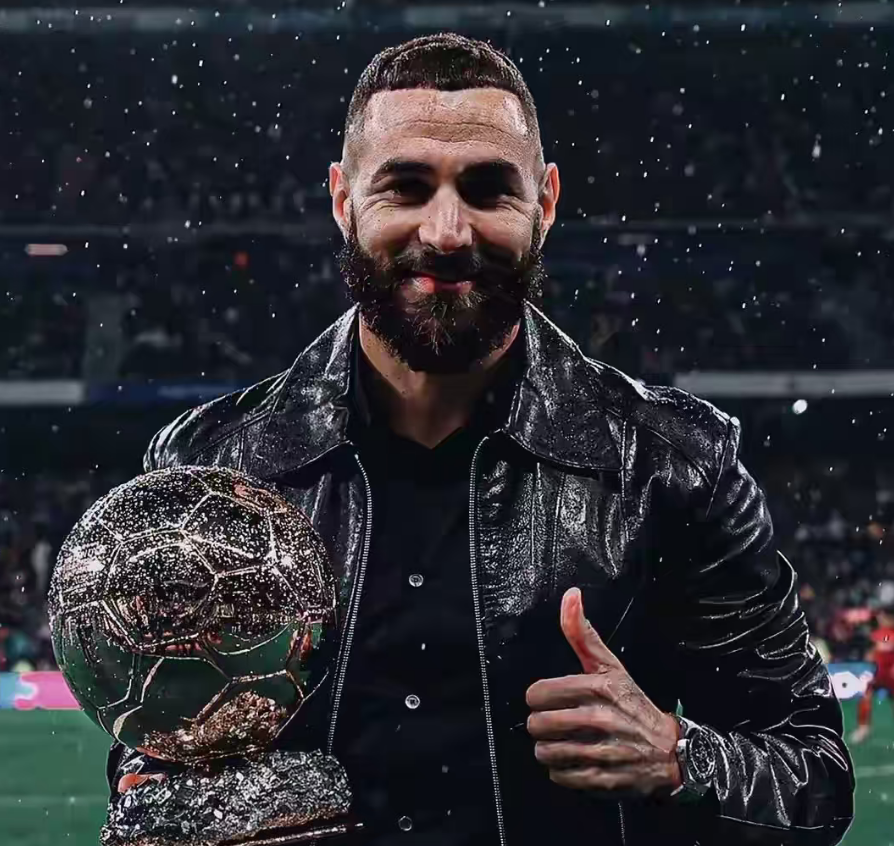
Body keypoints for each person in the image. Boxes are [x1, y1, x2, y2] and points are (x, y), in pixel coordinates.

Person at [108, 33, 855, 846]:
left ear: (545, 203)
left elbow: (814, 780)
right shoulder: (210, 473)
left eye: (488, 188)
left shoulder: (673, 467)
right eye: (406, 187)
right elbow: (153, 763)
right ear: (343, 201)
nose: (447, 231)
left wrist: (678, 758)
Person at [849, 606, 894, 744]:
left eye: (884, 617)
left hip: (891, 674)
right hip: (878, 673)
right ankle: (863, 729)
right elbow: (873, 651)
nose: (881, 619)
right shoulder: (877, 634)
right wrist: (870, 656)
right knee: (865, 695)